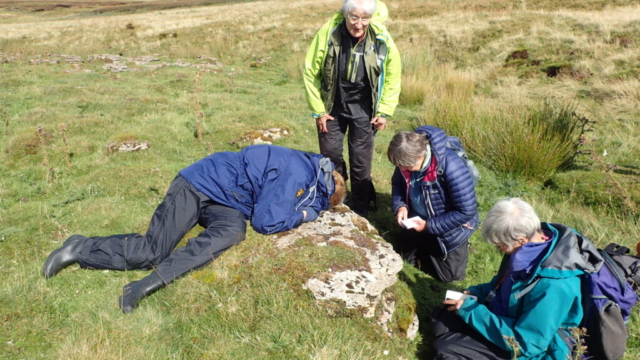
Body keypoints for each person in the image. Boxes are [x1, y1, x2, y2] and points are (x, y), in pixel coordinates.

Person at [42, 145, 347, 314]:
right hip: (198, 183)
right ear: (324, 194)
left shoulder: (308, 169)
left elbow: (265, 206)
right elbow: (266, 223)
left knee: (232, 232)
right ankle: (78, 248)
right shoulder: (302, 179)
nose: (319, 210)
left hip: (227, 200)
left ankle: (145, 286)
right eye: (324, 205)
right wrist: (307, 213)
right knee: (150, 251)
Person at [431, 198, 603, 360]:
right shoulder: (528, 250)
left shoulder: (555, 285)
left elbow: (528, 343)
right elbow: (501, 286)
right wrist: (478, 293)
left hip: (536, 348)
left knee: (446, 348)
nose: (499, 251)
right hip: (508, 319)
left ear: (521, 240)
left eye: (500, 246)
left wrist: (473, 312)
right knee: (441, 321)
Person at [303, 0, 401, 217]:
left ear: (371, 18)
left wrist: (383, 110)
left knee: (361, 163)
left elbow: (393, 75)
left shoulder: (381, 36)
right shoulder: (330, 32)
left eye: (364, 18)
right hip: (332, 107)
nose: (359, 24)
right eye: (354, 18)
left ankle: (360, 211)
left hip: (364, 110)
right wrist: (319, 110)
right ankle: (336, 200)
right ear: (345, 15)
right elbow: (310, 72)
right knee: (330, 156)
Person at [388, 126, 479, 282]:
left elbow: (466, 211)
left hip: (449, 228)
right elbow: (397, 184)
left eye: (406, 167)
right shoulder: (405, 161)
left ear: (419, 156)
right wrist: (400, 205)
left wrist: (429, 226)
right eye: (399, 166)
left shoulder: (452, 167)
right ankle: (423, 244)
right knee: (404, 257)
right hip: (417, 219)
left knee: (449, 278)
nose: (401, 169)